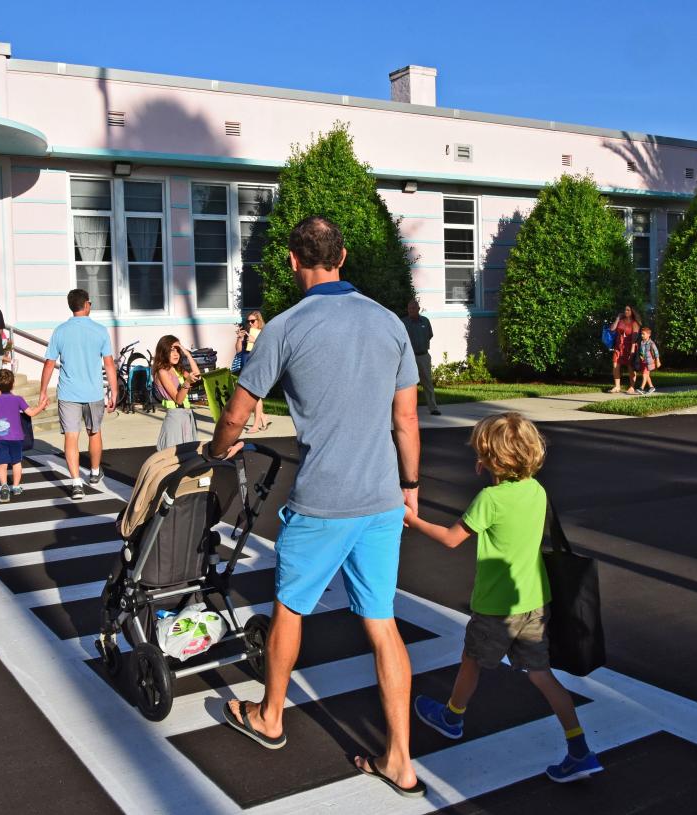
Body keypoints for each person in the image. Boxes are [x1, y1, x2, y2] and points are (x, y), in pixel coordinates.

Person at [208, 216, 424, 798]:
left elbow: (237, 411)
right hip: (380, 496)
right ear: (344, 255)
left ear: (291, 261)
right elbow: (405, 418)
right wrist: (410, 485)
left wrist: (217, 449)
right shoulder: (389, 324)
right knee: (382, 626)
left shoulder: (286, 326)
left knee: (290, 609)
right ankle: (400, 760)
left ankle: (271, 716)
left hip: (323, 500)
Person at [404, 412, 603, 784]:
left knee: (472, 660)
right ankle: (580, 750)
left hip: (497, 607)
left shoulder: (490, 499)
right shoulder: (537, 490)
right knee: (542, 675)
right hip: (534, 603)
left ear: (489, 459)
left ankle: (452, 716)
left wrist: (413, 521)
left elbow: (451, 538)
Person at [38, 289, 118, 501]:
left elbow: (49, 363)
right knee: (95, 432)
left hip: (68, 393)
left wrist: (43, 391)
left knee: (72, 437)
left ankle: (75, 483)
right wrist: (115, 391)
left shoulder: (60, 331)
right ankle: (93, 473)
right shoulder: (100, 330)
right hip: (93, 392)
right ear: (86, 305)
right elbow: (109, 364)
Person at [0, 368, 45, 503]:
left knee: (2, 464)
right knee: (16, 462)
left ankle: (4, 487)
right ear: (13, 384)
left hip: (0, 437)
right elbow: (30, 413)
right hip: (16, 437)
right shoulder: (18, 399)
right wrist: (41, 406)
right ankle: (16, 486)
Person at [152, 334, 202, 450]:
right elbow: (178, 399)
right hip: (175, 417)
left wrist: (188, 355)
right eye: (171, 350)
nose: (176, 354)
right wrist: (187, 382)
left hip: (186, 416)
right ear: (164, 352)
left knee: (188, 454)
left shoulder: (177, 369)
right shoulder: (162, 372)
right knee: (173, 454)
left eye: (178, 351)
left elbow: (198, 376)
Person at [402, 298, 440, 415]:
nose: (411, 310)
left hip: (423, 356)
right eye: (409, 308)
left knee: (427, 382)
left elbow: (429, 335)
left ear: (418, 309)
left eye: (413, 308)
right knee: (407, 384)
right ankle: (407, 410)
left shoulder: (425, 321)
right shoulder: (403, 322)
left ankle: (433, 408)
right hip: (408, 358)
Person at [235, 311, 271, 433]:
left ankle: (256, 425)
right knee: (251, 394)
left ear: (258, 321)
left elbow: (266, 351)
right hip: (246, 365)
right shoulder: (247, 333)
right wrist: (240, 339)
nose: (250, 324)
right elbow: (239, 351)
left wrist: (254, 340)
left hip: (257, 366)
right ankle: (263, 416)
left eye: (252, 321)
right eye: (248, 321)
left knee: (255, 395)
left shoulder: (263, 333)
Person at [608, 305, 641, 394]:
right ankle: (617, 386)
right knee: (615, 365)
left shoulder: (634, 323)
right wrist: (618, 318)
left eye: (628, 310)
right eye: (625, 310)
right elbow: (612, 329)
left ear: (632, 311)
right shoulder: (621, 321)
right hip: (619, 347)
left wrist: (632, 352)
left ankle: (632, 387)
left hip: (629, 348)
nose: (626, 311)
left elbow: (634, 339)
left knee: (630, 368)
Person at [635, 324, 661, 395]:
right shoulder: (642, 343)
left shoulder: (651, 343)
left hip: (649, 362)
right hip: (643, 362)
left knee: (644, 374)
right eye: (641, 334)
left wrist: (658, 361)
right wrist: (641, 357)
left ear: (649, 335)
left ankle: (641, 388)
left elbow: (656, 352)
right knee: (647, 375)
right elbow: (641, 351)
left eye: (643, 334)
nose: (642, 335)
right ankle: (651, 387)